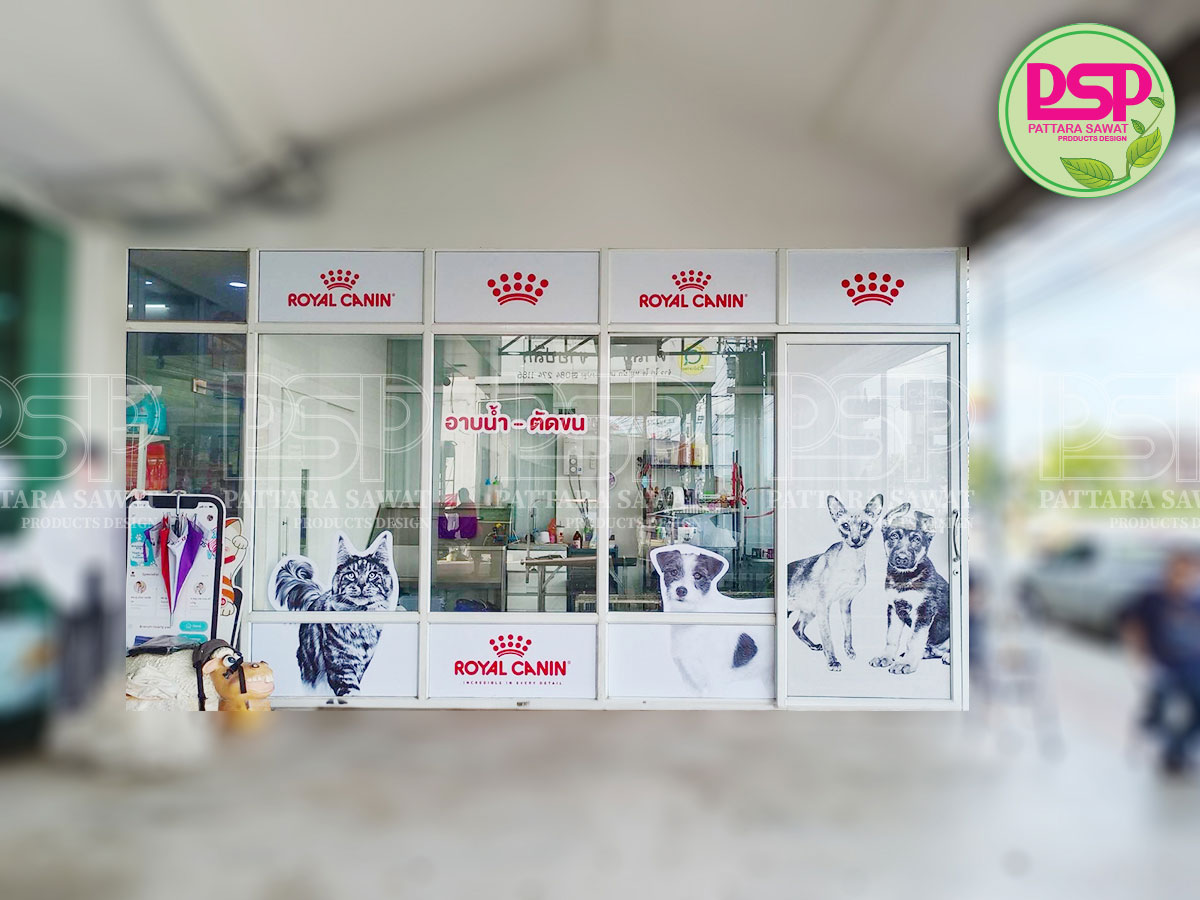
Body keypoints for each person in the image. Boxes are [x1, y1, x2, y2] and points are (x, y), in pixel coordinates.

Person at [1120, 545, 1200, 776]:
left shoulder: (1195, 601)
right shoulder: (1152, 597)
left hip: (1193, 665)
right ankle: (1156, 729)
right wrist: (1138, 654)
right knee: (1161, 704)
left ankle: (1176, 751)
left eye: (1188, 572)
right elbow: (1130, 622)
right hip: (1163, 664)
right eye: (1178, 571)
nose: (1182, 577)